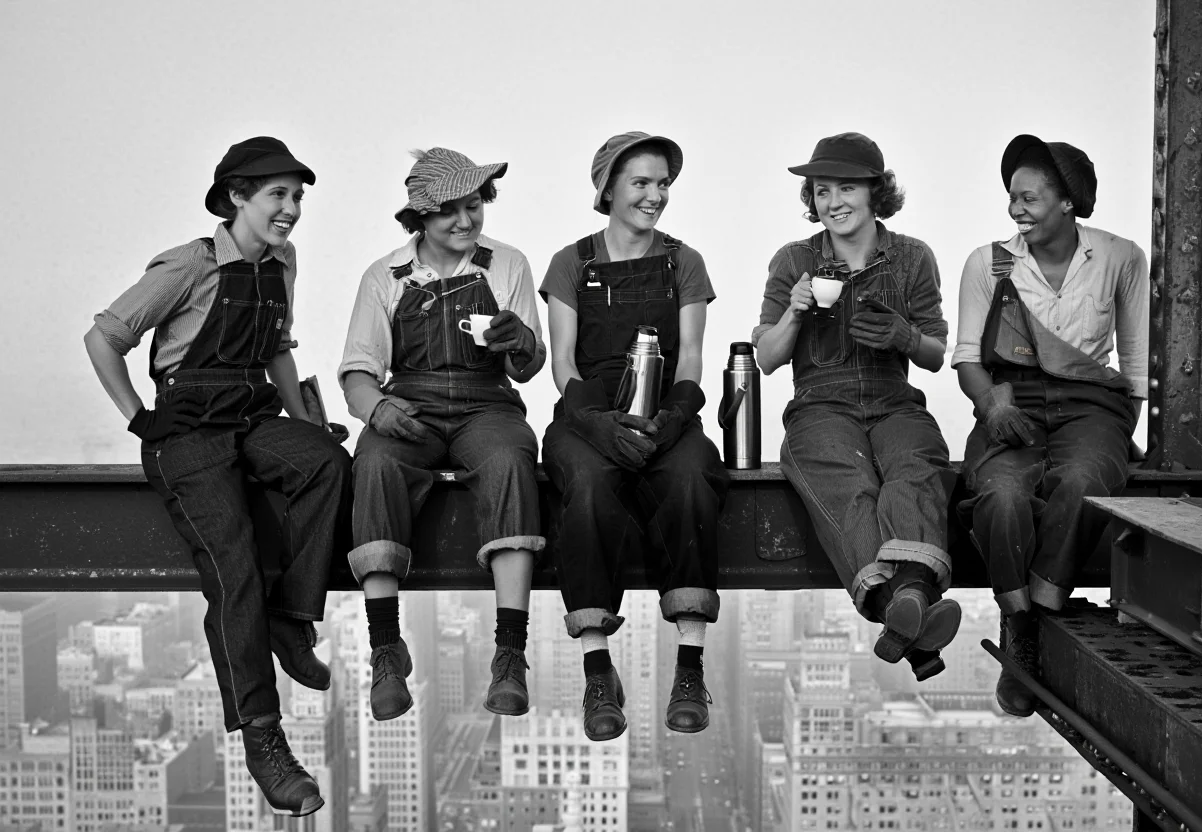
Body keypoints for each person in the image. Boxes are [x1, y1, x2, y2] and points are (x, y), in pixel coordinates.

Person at [83, 137, 352, 817]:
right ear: (237, 197)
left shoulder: (283, 262)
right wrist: (138, 419)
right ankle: (263, 738)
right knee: (233, 565)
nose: (291, 210)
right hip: (187, 428)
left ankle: (291, 621)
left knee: (327, 464)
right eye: (278, 196)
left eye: (297, 197)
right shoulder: (188, 265)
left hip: (251, 411)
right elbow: (104, 336)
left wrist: (308, 424)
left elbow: (281, 351)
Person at [338, 147, 546, 723]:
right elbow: (359, 369)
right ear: (419, 219)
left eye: (473, 204)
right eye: (449, 211)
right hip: (412, 406)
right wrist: (377, 411)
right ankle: (385, 647)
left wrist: (518, 341)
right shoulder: (385, 276)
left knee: (509, 459)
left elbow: (529, 368)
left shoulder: (508, 265)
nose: (465, 220)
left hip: (489, 404)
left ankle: (510, 654)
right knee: (376, 463)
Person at [540, 132, 728, 741]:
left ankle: (689, 667)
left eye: (663, 183)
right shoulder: (571, 263)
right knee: (590, 488)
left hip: (666, 412)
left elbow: (693, 355)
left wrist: (674, 416)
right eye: (641, 183)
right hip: (586, 416)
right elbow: (562, 361)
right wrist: (594, 422)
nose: (656, 195)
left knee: (694, 477)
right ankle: (599, 671)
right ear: (608, 188)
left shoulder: (685, 262)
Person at [753, 133, 962, 681]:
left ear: (876, 192)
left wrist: (903, 336)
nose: (834, 202)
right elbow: (769, 358)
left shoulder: (913, 257)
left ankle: (905, 613)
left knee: (915, 467)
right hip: (821, 407)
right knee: (850, 487)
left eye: (847, 188)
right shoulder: (793, 260)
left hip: (895, 403)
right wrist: (794, 314)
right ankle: (913, 608)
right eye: (822, 191)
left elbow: (938, 354)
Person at [953, 135, 1147, 716]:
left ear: (1068, 201)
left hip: (1091, 403)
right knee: (1001, 494)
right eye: (1012, 197)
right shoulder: (990, 263)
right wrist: (993, 408)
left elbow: (1135, 361)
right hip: (1012, 401)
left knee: (1086, 480)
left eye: (1030, 198)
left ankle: (1041, 608)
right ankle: (1019, 623)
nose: (1016, 209)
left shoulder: (1119, 257)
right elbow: (967, 357)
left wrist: (1120, 427)